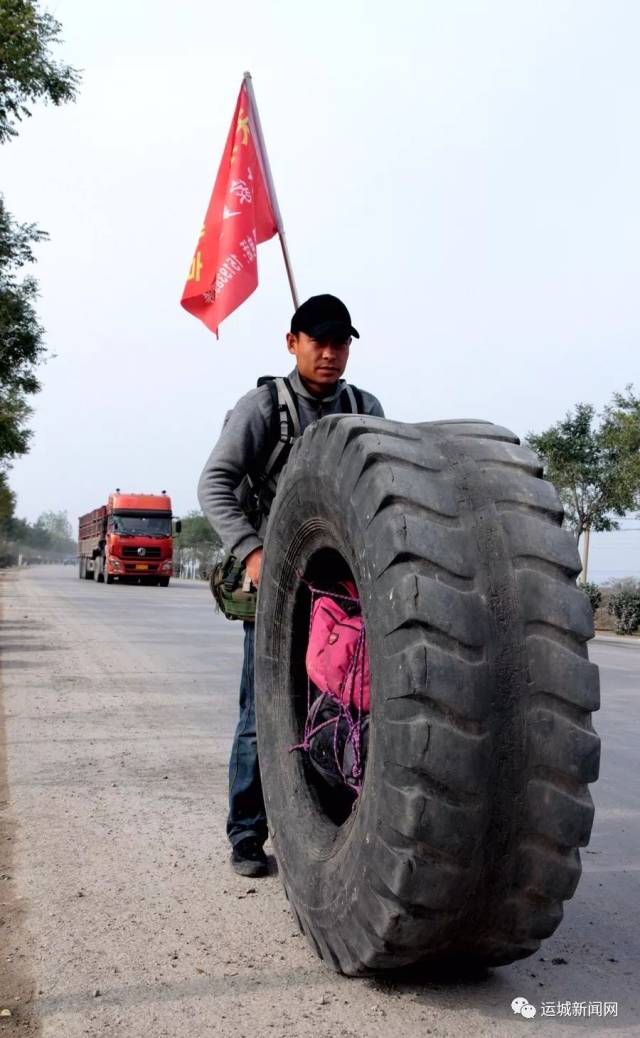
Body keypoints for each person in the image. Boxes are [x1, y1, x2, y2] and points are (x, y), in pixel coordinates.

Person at [198, 294, 384, 877]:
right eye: (318, 342)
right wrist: (252, 552)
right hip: (275, 587)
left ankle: (334, 821)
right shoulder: (262, 407)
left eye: (341, 343)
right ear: (292, 343)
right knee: (265, 711)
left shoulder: (365, 407)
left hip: (343, 591)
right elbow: (215, 483)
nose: (330, 354)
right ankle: (248, 836)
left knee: (345, 701)